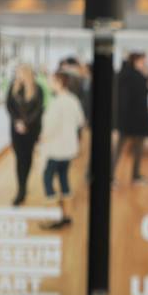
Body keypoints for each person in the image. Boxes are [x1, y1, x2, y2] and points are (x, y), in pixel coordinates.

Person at [36, 72, 87, 228]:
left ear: (59, 82)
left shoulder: (57, 103)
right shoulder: (73, 100)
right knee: (64, 178)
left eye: (51, 81)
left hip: (55, 149)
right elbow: (80, 121)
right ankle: (66, 215)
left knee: (48, 179)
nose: (50, 84)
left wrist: (41, 139)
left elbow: (50, 128)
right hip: (69, 149)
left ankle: (53, 219)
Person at [4, 63, 44, 207]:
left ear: (26, 73)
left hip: (31, 130)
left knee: (27, 157)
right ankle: (21, 188)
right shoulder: (13, 86)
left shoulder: (37, 88)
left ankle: (24, 185)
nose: (17, 75)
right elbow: (8, 106)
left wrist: (25, 124)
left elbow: (39, 109)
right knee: (19, 158)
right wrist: (17, 122)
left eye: (19, 73)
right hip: (16, 130)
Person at [115, 49, 148, 183]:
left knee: (137, 149)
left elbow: (145, 92)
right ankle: (112, 176)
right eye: (143, 61)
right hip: (132, 119)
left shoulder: (132, 75)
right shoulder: (131, 76)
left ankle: (135, 176)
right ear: (136, 61)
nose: (145, 64)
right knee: (120, 149)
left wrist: (146, 77)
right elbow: (127, 99)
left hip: (134, 119)